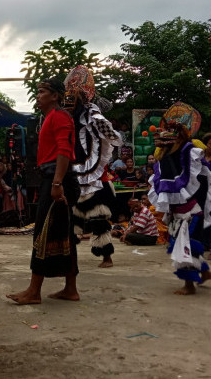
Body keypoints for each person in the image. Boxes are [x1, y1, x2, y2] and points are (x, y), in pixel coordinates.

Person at [7, 78, 80, 304]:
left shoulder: (60, 116)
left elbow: (64, 150)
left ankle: (34, 291)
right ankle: (70, 289)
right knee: (63, 234)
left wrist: (57, 184)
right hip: (55, 178)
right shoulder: (49, 117)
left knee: (43, 233)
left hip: (58, 180)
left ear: (55, 96)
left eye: (42, 92)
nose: (38, 95)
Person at [148, 102, 211, 295]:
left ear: (182, 133)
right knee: (181, 241)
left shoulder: (189, 150)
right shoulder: (164, 153)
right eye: (166, 131)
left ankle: (189, 285)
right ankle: (205, 271)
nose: (168, 135)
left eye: (173, 131)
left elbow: (200, 179)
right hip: (177, 208)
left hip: (190, 208)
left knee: (184, 244)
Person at [62, 65, 121, 268]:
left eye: (75, 94)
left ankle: (106, 255)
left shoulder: (92, 113)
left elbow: (111, 135)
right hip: (73, 167)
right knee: (71, 216)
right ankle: (67, 253)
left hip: (95, 173)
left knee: (98, 216)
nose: (70, 98)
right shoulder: (65, 114)